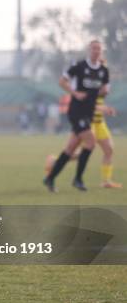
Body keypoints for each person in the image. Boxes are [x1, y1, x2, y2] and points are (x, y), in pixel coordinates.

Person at [43, 40, 109, 192]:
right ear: (89, 50)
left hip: (88, 113)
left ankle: (50, 178)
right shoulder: (79, 66)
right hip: (76, 111)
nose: (96, 51)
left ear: (101, 51)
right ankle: (78, 179)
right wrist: (74, 93)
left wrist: (102, 93)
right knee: (91, 142)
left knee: (70, 149)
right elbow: (62, 81)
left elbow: (104, 88)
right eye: (93, 48)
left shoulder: (103, 71)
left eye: (98, 49)